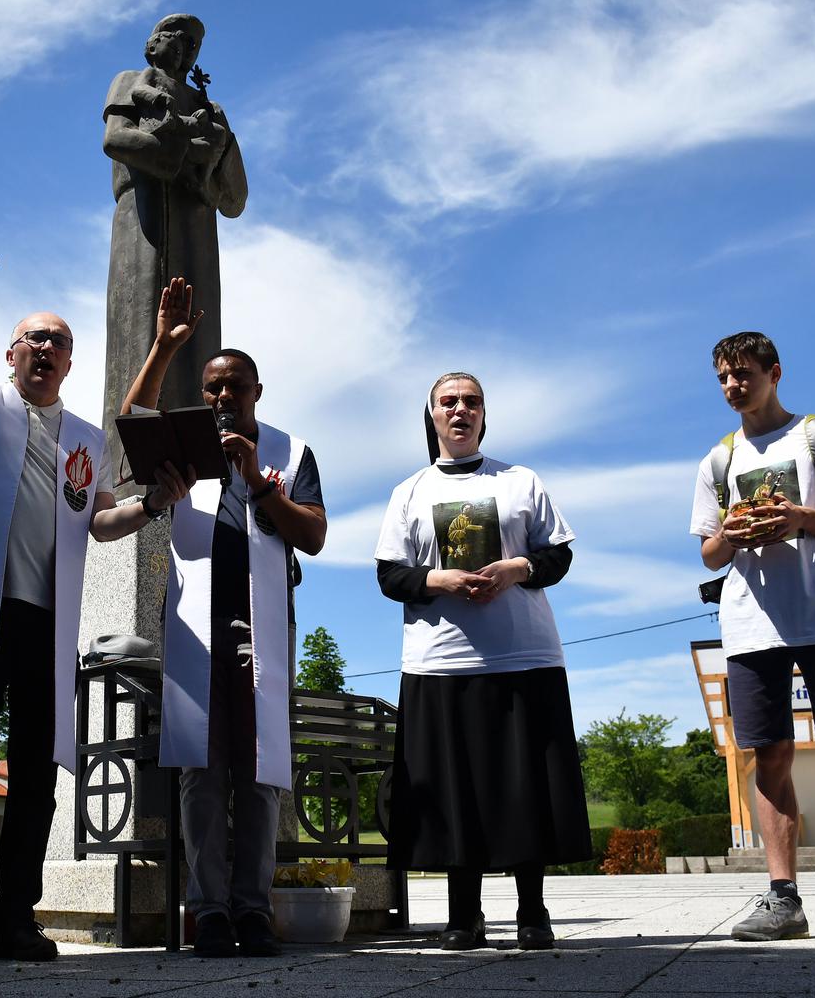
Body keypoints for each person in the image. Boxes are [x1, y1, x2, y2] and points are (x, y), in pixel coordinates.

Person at [0, 223, 191, 963]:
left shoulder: (83, 436)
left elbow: (102, 520)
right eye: (33, 340)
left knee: (37, 777)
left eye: (58, 343)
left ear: (71, 362)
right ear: (10, 354)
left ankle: (16, 918)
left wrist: (152, 505)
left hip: (48, 619)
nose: (45, 350)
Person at [119, 277, 326, 957]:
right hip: (196, 633)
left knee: (260, 773)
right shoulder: (187, 444)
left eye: (233, 385)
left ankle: (252, 910)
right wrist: (163, 346)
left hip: (260, 633)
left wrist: (261, 483)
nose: (220, 396)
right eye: (211, 386)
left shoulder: (289, 452)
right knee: (201, 773)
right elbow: (134, 416)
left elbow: (315, 535)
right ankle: (208, 911)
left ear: (256, 392)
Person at [689, 331, 815, 943]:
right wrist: (730, 531)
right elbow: (708, 554)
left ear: (774, 372)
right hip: (750, 624)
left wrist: (801, 517)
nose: (733, 385)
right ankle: (783, 899)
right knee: (769, 756)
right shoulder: (717, 461)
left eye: (743, 373)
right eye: (723, 377)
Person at [374, 372, 588, 951]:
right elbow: (390, 575)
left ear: (484, 416)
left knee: (525, 787)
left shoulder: (521, 481)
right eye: (449, 402)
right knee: (453, 792)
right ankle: (463, 914)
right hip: (440, 662)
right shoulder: (409, 491)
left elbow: (558, 556)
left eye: (471, 402)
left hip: (522, 655)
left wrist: (517, 569)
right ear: (433, 416)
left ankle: (532, 912)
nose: (460, 410)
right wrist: (437, 579)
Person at [100, 13, 248, 494]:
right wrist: (183, 150)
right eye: (175, 39)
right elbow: (116, 140)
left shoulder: (212, 109)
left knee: (199, 342)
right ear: (152, 43)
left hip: (197, 233)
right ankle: (128, 466)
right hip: (142, 230)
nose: (184, 50)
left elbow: (234, 199)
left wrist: (215, 148)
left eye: (193, 45)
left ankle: (200, 462)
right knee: (140, 331)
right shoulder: (130, 82)